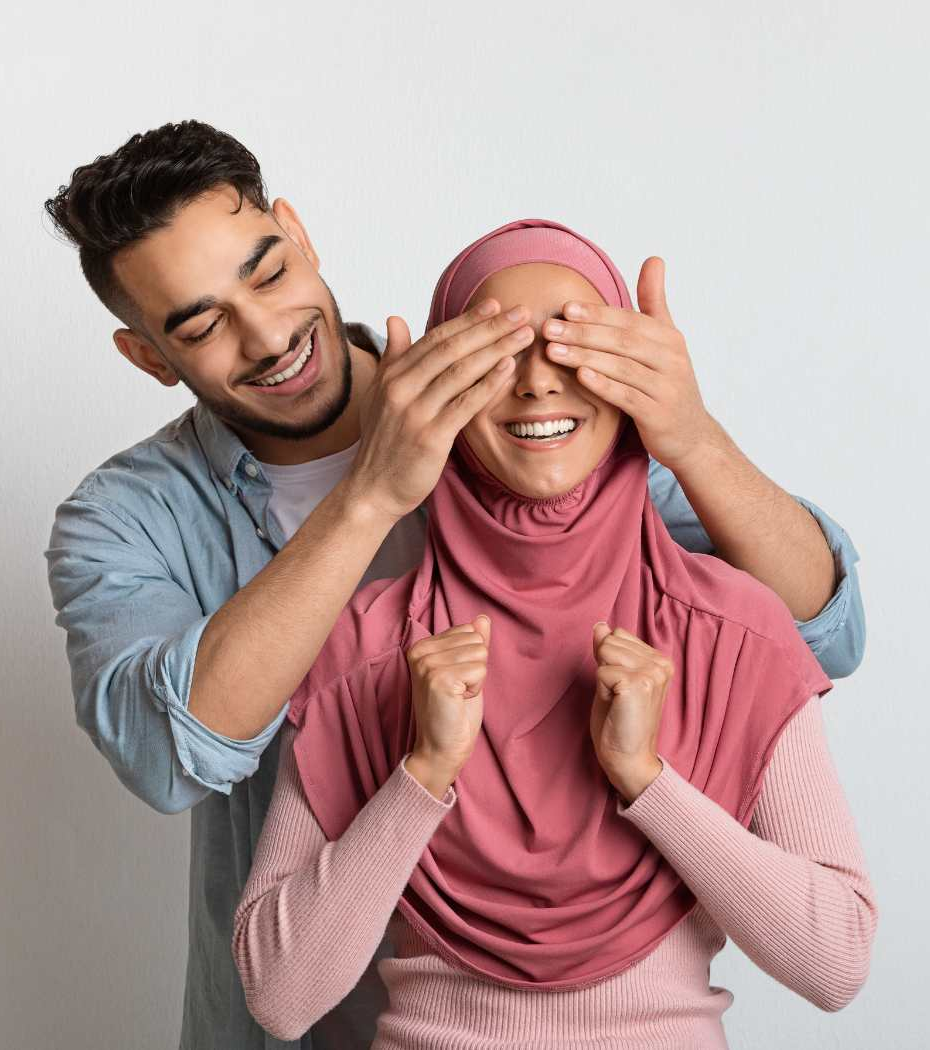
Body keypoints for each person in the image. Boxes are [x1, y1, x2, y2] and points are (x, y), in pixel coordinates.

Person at [41, 121, 867, 1050]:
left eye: (268, 274)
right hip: (304, 1018)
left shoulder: (514, 411)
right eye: (199, 324)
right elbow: (166, 755)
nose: (268, 334)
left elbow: (815, 636)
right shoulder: (122, 519)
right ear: (149, 357)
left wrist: (692, 435)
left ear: (300, 235)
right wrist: (370, 497)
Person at [232, 219, 877, 1049]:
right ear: (440, 385)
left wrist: (649, 782)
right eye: (497, 351)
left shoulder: (735, 628)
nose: (538, 385)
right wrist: (421, 775)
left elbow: (836, 962)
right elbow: (279, 998)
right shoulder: (365, 647)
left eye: (574, 344)